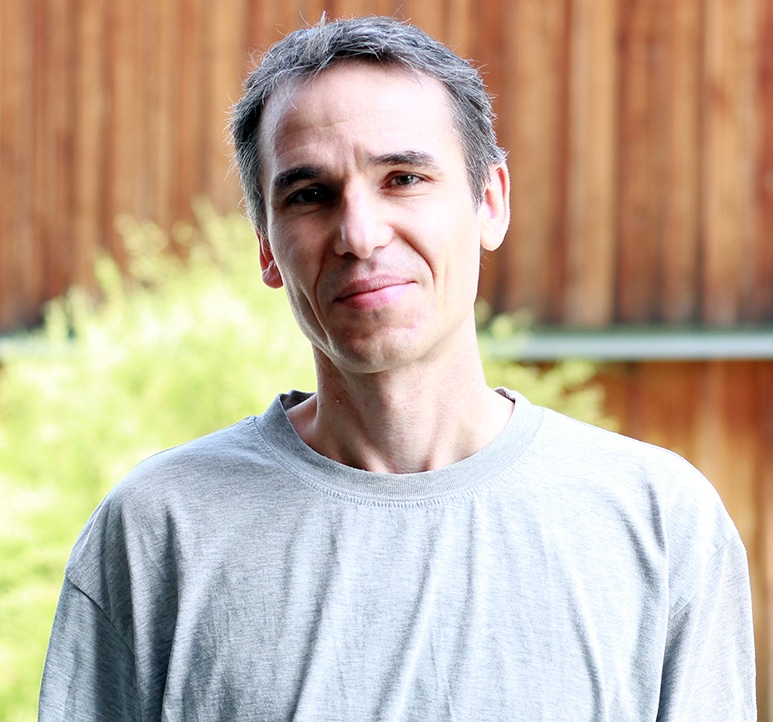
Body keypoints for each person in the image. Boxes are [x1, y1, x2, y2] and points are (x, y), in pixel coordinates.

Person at [39, 15, 755, 721]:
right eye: (309, 195)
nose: (359, 234)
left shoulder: (659, 522)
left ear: (489, 202)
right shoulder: (156, 533)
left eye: (403, 178)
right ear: (266, 247)